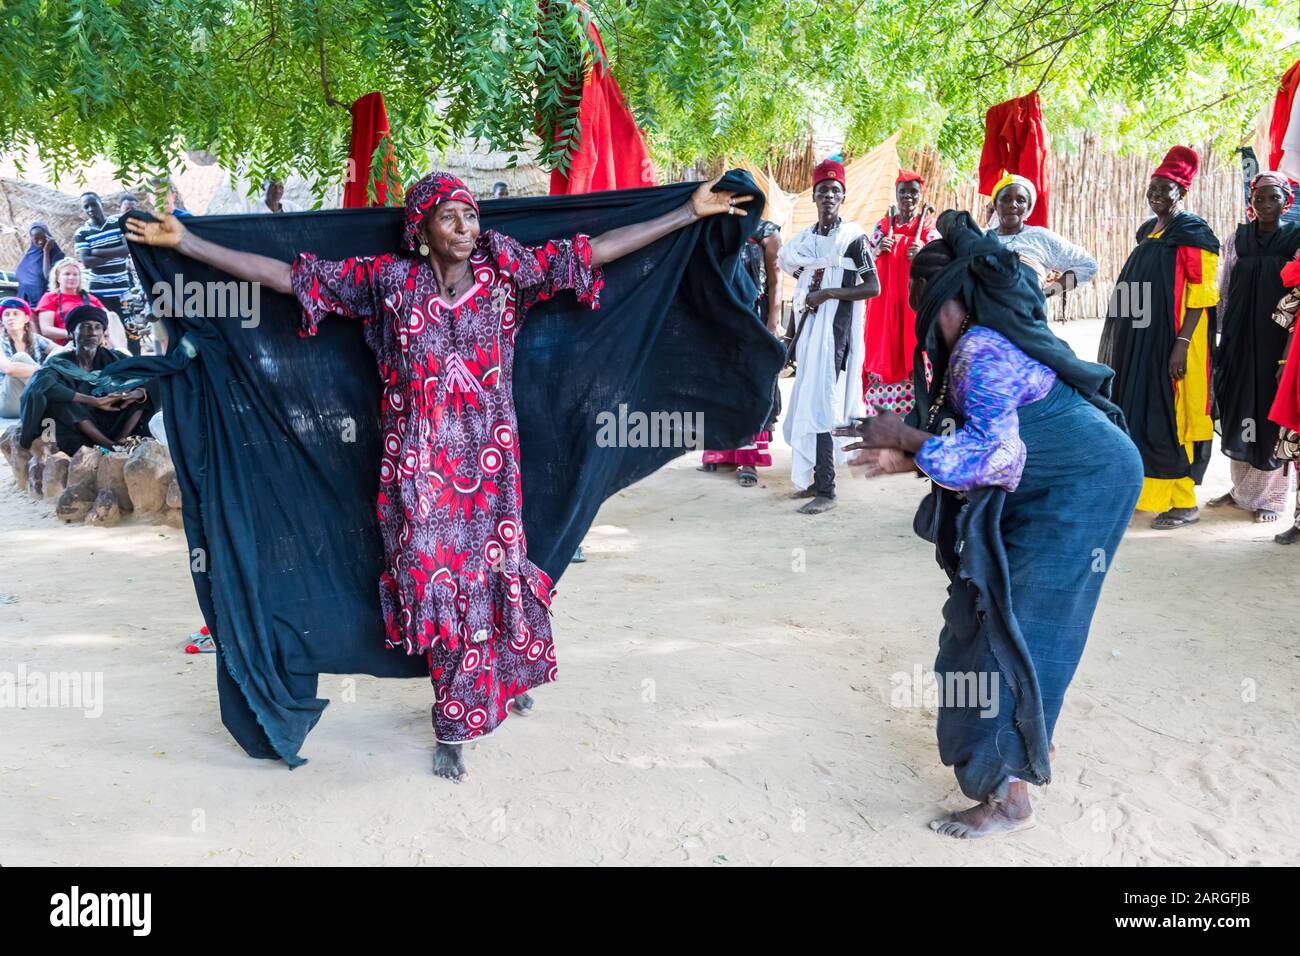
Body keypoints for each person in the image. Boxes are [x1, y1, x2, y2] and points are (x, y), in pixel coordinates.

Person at [125, 170, 752, 781]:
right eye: (449, 215)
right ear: (421, 228)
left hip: (489, 467)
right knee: (436, 582)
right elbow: (290, 278)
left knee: (487, 579)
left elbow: (594, 251)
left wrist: (688, 213)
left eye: (471, 214)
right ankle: (477, 690)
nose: (465, 225)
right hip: (417, 471)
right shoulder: (388, 283)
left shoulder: (507, 274)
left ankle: (458, 722)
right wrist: (186, 243)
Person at [836, 211, 1142, 839]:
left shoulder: (981, 351)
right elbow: (980, 447)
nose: (924, 319)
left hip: (1085, 486)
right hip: (1060, 481)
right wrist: (908, 452)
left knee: (1012, 626)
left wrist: (909, 436)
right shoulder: (971, 346)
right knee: (992, 617)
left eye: (927, 303)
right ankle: (1030, 745)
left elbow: (996, 457)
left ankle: (1011, 800)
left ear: (953, 296)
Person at [1099, 145, 1220, 530]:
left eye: (1164, 190)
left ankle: (1184, 502)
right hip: (1141, 342)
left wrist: (1181, 345)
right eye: (1152, 189)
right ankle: (1147, 493)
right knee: (1139, 410)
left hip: (1175, 342)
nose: (1155, 196)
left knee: (1170, 415)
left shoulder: (1193, 233)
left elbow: (1203, 296)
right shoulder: (1149, 233)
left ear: (1180, 193)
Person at [779, 157, 880, 514]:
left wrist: (830, 294)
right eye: (823, 191)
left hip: (836, 334)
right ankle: (809, 480)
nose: (829, 196)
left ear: (842, 196)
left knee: (822, 401)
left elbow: (873, 287)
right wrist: (790, 336)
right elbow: (801, 293)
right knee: (807, 400)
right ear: (815, 197)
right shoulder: (805, 242)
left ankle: (827, 489)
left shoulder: (854, 239)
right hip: (809, 334)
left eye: (835, 191)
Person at [1208, 171, 1300, 524]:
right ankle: (1242, 491)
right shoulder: (1238, 238)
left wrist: (1289, 353)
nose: (1265, 204)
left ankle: (1271, 500)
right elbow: (1226, 286)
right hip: (1239, 338)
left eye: (1272, 198)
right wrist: (1221, 334)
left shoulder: (1294, 239)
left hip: (1277, 342)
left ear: (1286, 202)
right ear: (1251, 202)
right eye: (1259, 198)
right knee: (1237, 406)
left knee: (1269, 411)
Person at [699, 217, 782, 486]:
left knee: (751, 384)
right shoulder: (715, 229)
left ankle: (749, 459)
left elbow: (775, 279)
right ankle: (720, 452)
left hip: (753, 316)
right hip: (721, 317)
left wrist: (773, 321)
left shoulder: (766, 232)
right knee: (721, 382)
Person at [17, 305, 155, 453]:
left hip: (114, 418)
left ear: (103, 334)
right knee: (60, 400)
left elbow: (151, 375)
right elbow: (40, 386)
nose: (93, 332)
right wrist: (93, 401)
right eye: (85, 327)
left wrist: (136, 393)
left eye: (97, 328)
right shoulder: (59, 362)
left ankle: (121, 440)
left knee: (152, 387)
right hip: (78, 428)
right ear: (71, 333)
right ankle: (110, 446)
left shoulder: (116, 359)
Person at [862, 170, 938, 416]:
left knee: (915, 346)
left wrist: (924, 250)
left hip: (913, 304)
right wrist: (877, 250)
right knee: (884, 347)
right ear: (895, 195)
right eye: (903, 192)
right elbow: (865, 259)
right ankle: (882, 417)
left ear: (921, 194)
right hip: (884, 307)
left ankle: (917, 414)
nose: (908, 197)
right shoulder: (883, 226)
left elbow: (942, 261)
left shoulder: (927, 228)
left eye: (913, 192)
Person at [986, 172, 1097, 295]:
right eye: (1006, 199)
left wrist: (1046, 293)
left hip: (1028, 312)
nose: (1013, 205)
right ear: (996, 204)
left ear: (1029, 208)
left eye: (1020, 200)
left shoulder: (1040, 237)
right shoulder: (979, 237)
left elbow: (1087, 265)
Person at [73, 192, 131, 326]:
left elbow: (128, 250)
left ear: (101, 203)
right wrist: (117, 252)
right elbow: (87, 262)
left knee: (131, 331)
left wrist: (97, 252)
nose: (90, 209)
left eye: (93, 204)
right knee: (105, 329)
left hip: (122, 289)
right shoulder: (82, 233)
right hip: (99, 292)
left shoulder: (118, 223)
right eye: (86, 207)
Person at [1, 297, 59, 418]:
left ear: (26, 318)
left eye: (16, 314)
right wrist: (45, 371)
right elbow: (8, 369)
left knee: (58, 359)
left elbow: (60, 350)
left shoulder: (35, 338)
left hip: (29, 396)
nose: (11, 317)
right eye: (6, 314)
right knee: (20, 357)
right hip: (8, 402)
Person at [34, 259, 108, 344]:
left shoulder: (90, 298)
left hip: (96, 339)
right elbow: (46, 330)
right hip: (68, 343)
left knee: (113, 316)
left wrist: (104, 334)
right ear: (58, 278)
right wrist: (76, 334)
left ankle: (121, 351)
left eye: (75, 274)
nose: (71, 277)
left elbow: (108, 318)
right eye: (67, 274)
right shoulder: (50, 298)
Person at [14, 222, 65, 306]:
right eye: (36, 239)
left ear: (49, 236)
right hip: (24, 300)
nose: (40, 241)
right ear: (31, 239)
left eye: (43, 237)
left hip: (43, 303)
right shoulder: (30, 254)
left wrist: (46, 252)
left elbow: (49, 276)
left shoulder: (57, 256)